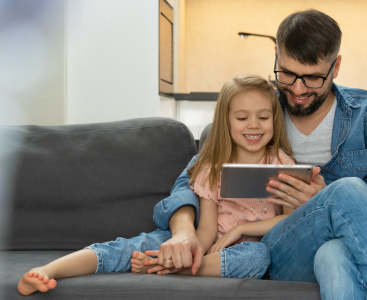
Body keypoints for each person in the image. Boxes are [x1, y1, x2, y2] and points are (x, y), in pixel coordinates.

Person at [146, 9, 367, 300]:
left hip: (358, 244)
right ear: (276, 55)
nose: (298, 90)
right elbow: (189, 182)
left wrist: (324, 196)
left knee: (334, 253)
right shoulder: (253, 113)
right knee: (348, 190)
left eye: (313, 78)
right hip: (282, 249)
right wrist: (184, 231)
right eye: (287, 74)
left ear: (336, 66)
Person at [16, 75, 297, 296]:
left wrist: (241, 229)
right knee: (137, 245)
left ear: (275, 119)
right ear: (226, 120)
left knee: (258, 257)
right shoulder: (212, 168)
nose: (254, 125)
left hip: (247, 247)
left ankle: (174, 269)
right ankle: (49, 269)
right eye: (242, 117)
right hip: (210, 245)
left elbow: (290, 219)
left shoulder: (282, 164)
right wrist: (189, 248)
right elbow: (207, 229)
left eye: (263, 117)